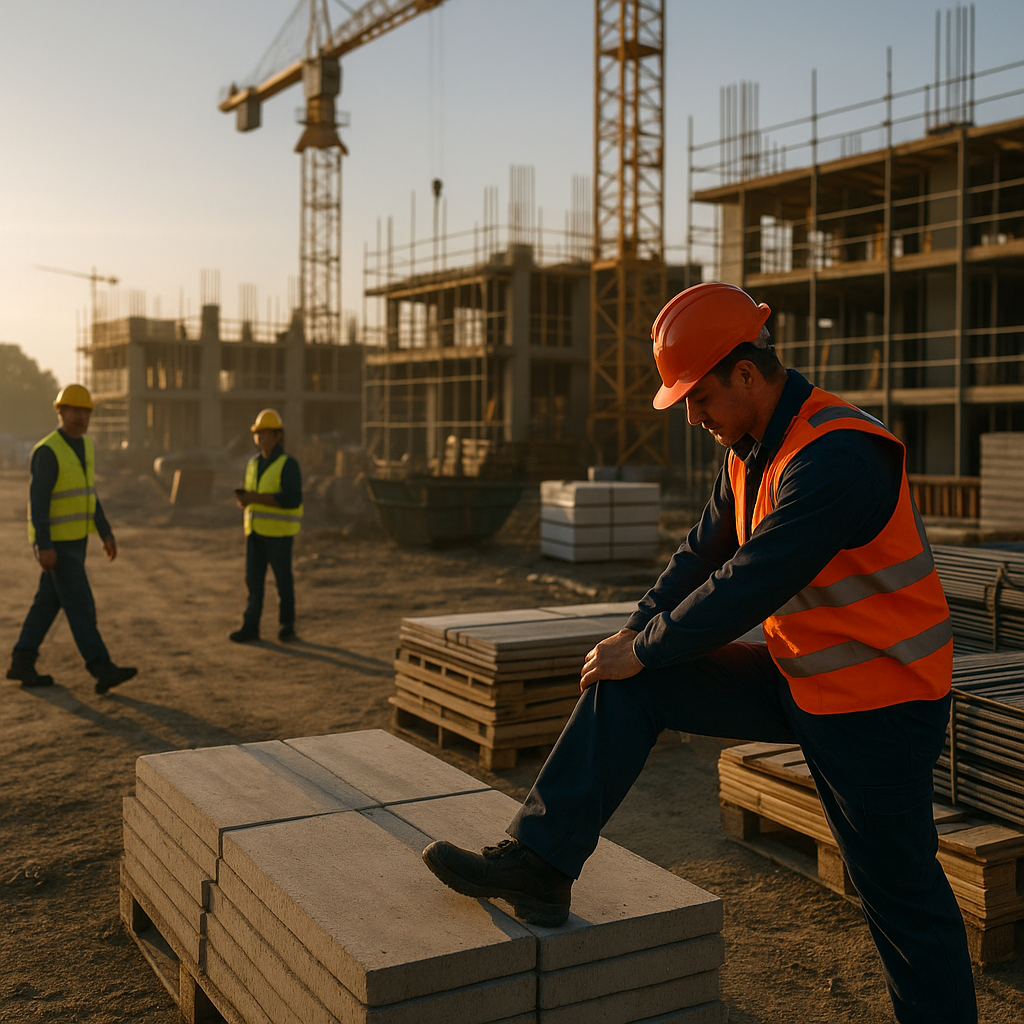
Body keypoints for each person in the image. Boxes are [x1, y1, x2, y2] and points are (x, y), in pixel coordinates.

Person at [423, 282, 977, 1024]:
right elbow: (699, 556)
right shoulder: (750, 449)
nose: (691, 415)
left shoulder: (838, 455)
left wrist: (647, 647)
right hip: (803, 677)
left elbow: (749, 582)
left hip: (879, 703)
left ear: (747, 373)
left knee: (898, 893)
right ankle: (542, 864)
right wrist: (633, 636)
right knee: (630, 685)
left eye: (699, 396)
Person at [6, 384, 137, 695]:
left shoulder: (86, 447)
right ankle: (101, 668)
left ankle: (22, 660)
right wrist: (44, 544)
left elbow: (88, 495)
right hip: (58, 547)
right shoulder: (48, 451)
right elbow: (38, 502)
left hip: (78, 542)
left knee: (47, 604)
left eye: (86, 411)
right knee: (81, 606)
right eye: (75, 411)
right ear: (60, 412)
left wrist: (105, 531)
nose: (81, 417)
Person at [230, 408, 303, 643]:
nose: (260, 438)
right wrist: (245, 501)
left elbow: (292, 499)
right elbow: (254, 496)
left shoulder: (288, 464)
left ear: (277, 436)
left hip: (279, 535)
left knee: (283, 582)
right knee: (253, 583)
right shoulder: (252, 464)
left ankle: (287, 627)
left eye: (265, 433)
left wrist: (254, 499)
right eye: (258, 434)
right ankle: (250, 627)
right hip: (255, 534)